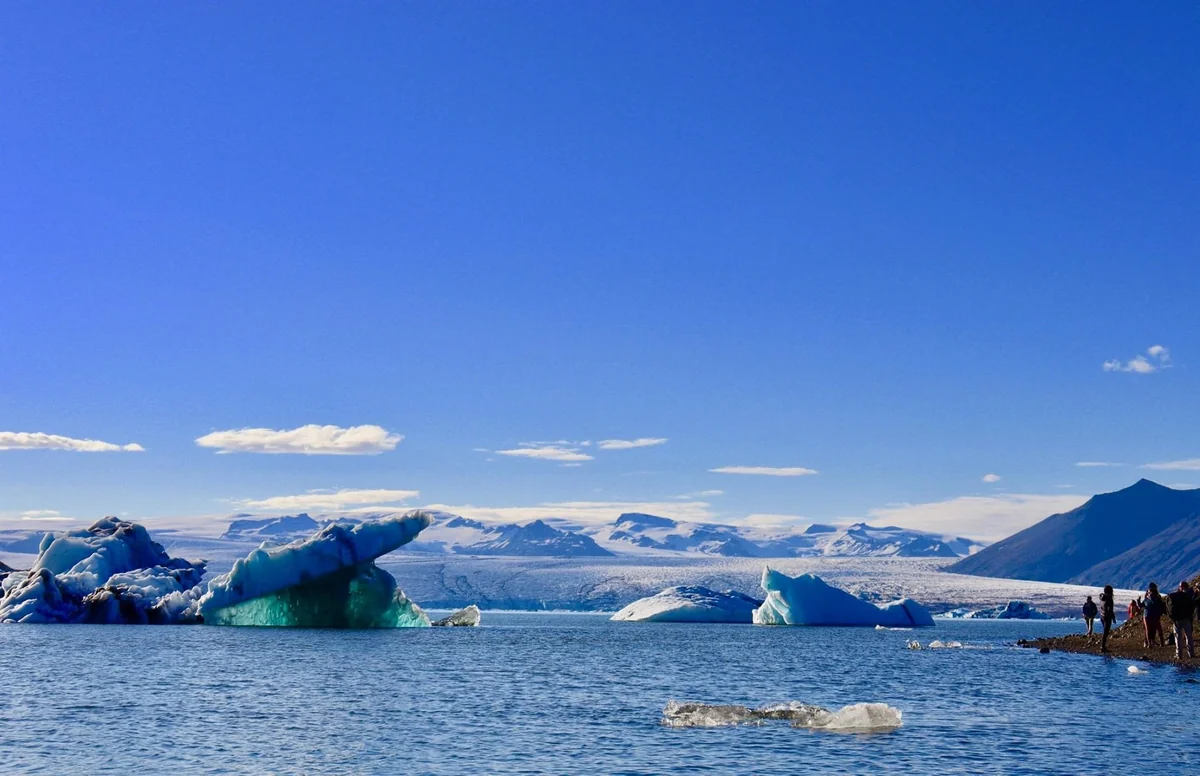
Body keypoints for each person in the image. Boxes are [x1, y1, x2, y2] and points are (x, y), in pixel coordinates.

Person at [1165, 581, 1195, 660]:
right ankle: (1191, 653)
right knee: (1189, 636)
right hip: (1186, 619)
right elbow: (1192, 606)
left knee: (1178, 637)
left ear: (1180, 587)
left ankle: (1179, 655)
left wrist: (1172, 617)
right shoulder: (1188, 595)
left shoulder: (1174, 596)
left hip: (1177, 620)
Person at [1143, 583, 1166, 648]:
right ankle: (1151, 642)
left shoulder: (1151, 596)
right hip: (1153, 615)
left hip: (1149, 614)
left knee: (1149, 629)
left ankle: (1149, 642)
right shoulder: (1156, 596)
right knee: (1152, 629)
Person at [1100, 585, 1116, 653]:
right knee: (1105, 632)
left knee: (1105, 632)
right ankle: (1102, 647)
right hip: (1107, 617)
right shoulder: (1109, 599)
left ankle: (1103, 646)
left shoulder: (1101, 597)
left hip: (1102, 616)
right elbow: (1110, 610)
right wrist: (1113, 617)